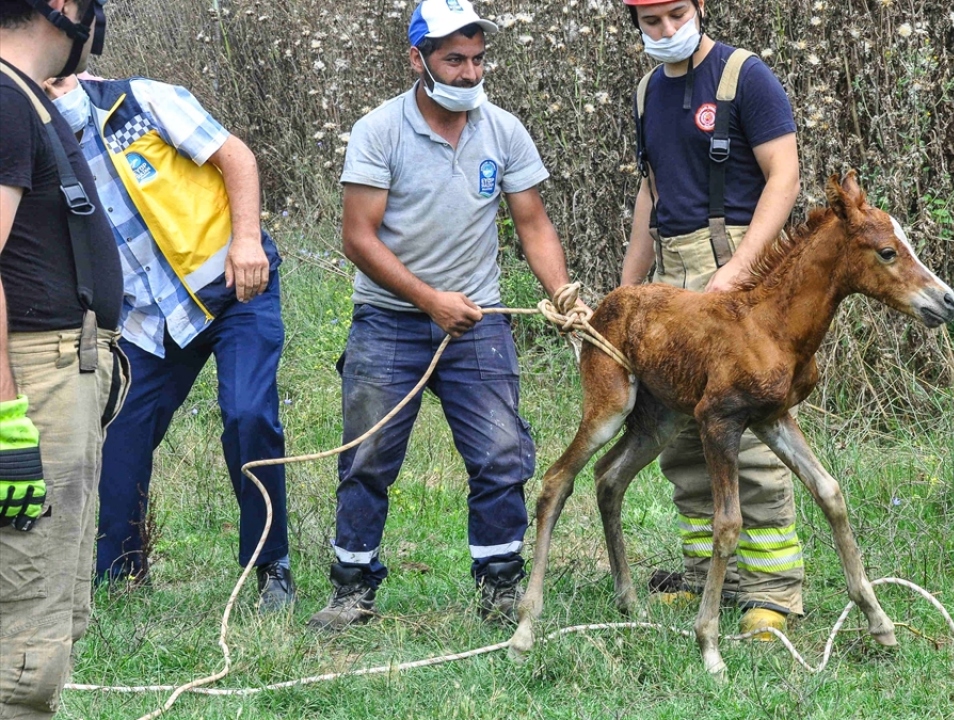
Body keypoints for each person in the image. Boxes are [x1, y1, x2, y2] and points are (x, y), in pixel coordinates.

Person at [308, 0, 586, 630]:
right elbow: (359, 237)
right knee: (367, 457)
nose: (468, 73)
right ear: (418, 59)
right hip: (388, 322)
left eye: (477, 59)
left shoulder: (504, 130)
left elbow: (533, 222)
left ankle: (500, 587)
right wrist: (429, 300)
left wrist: (563, 294)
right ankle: (352, 591)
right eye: (453, 60)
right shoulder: (379, 130)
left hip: (479, 321)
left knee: (500, 454)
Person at [40, 69, 296, 611]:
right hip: (145, 323)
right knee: (114, 441)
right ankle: (121, 579)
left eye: (57, 84)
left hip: (232, 289)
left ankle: (271, 566)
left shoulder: (140, 103)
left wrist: (247, 240)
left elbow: (237, 158)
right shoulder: (37, 148)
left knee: (248, 414)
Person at [617, 0, 806, 637]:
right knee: (678, 432)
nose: (668, 31)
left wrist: (742, 266)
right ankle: (706, 573)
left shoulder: (745, 77)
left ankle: (773, 592)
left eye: (677, 15)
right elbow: (652, 191)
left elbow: (785, 175)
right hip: (670, 277)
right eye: (652, 23)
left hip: (733, 269)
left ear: (700, 8)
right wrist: (627, 288)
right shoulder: (647, 91)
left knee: (747, 432)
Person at [0, 0, 123, 716]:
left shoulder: (26, 98)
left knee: (51, 614)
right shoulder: (4, 100)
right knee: (22, 645)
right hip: (32, 381)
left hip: (63, 372)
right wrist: (9, 419)